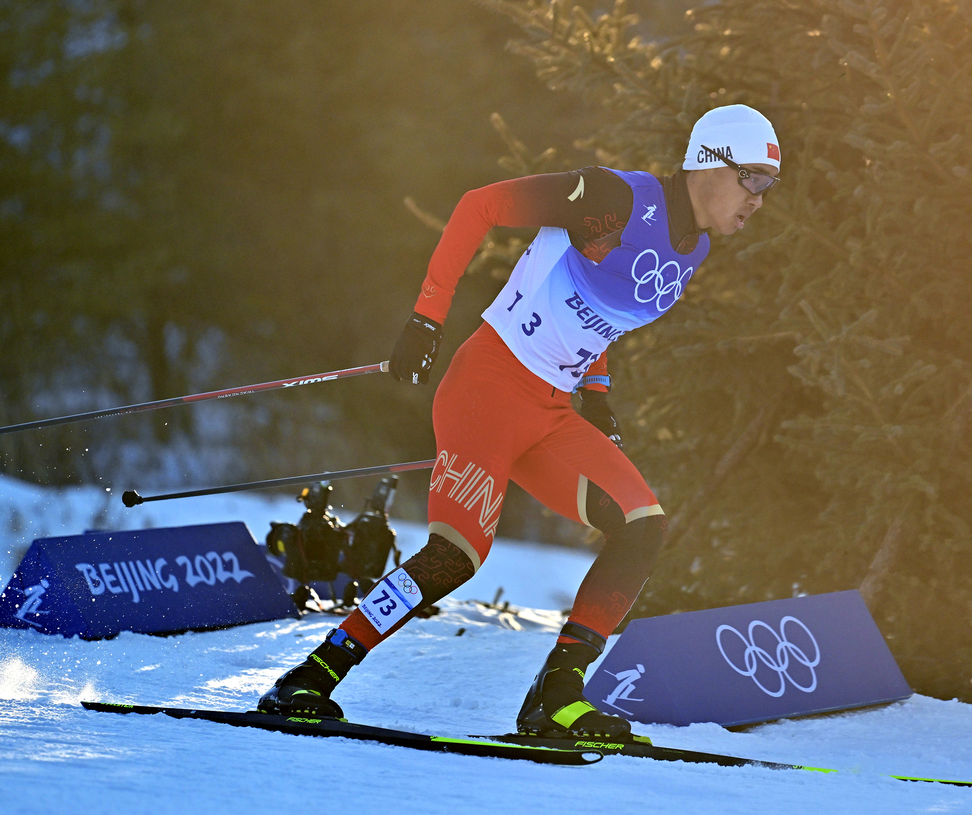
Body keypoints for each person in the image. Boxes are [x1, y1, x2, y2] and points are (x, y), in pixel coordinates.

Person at [258, 104, 782, 740]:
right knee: (457, 556)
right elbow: (479, 205)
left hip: (551, 411)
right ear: (709, 162)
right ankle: (311, 676)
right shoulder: (613, 198)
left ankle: (556, 697)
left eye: (769, 185)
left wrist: (598, 392)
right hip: (489, 387)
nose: (758, 199)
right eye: (752, 177)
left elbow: (599, 309)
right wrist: (427, 317)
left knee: (643, 527)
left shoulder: (692, 246)